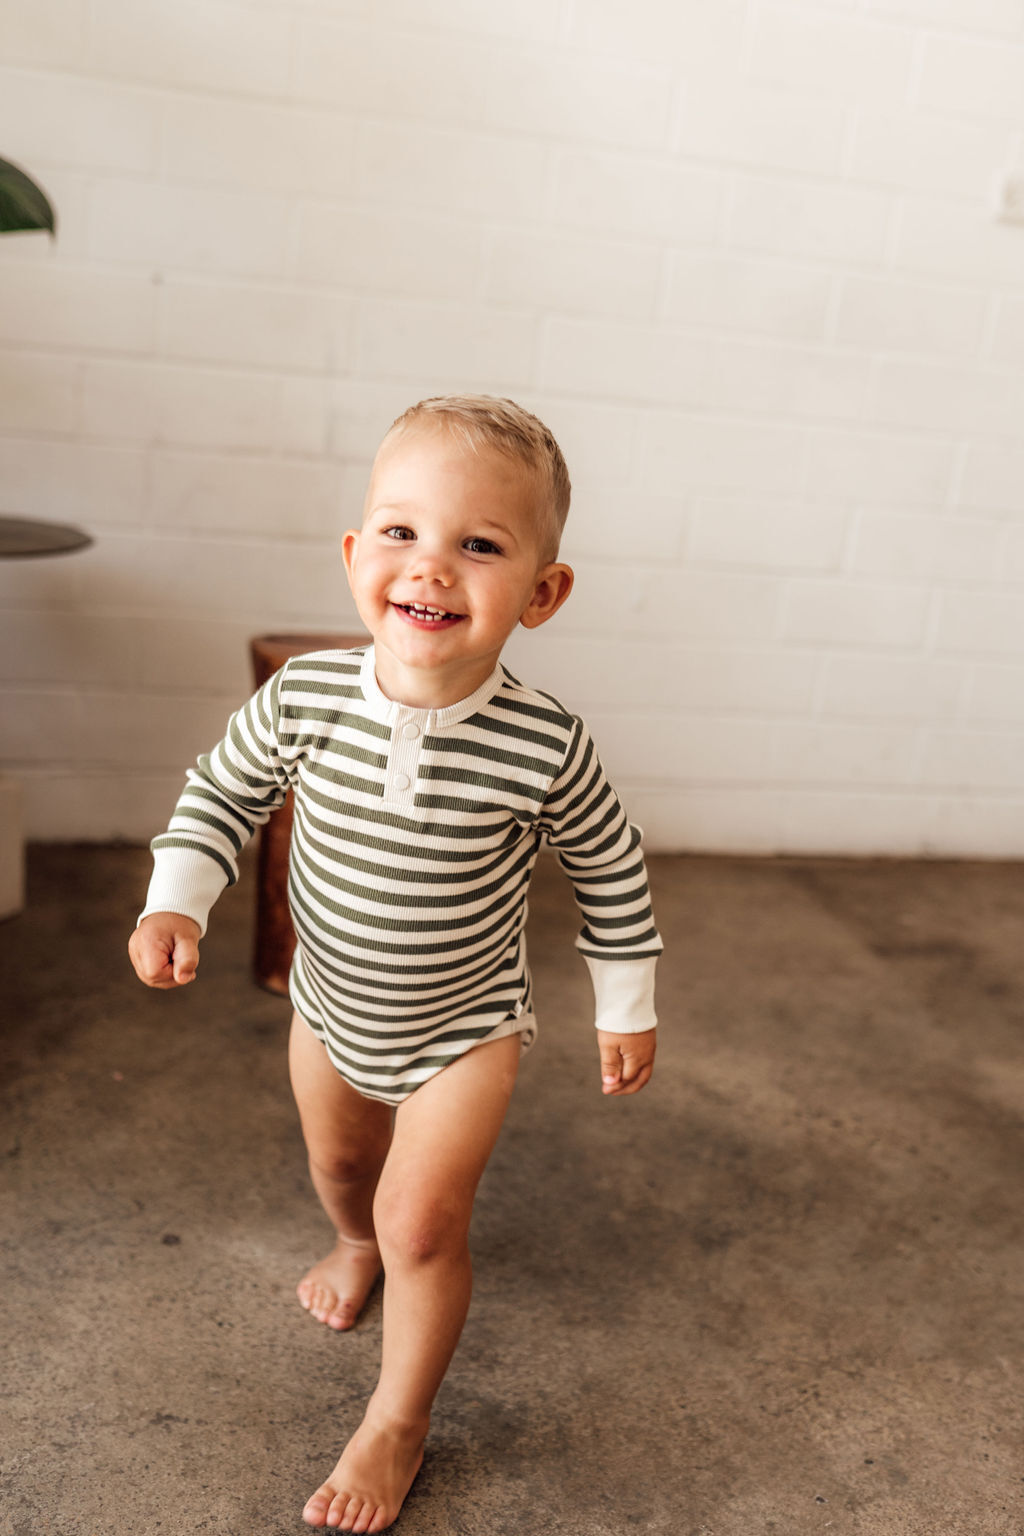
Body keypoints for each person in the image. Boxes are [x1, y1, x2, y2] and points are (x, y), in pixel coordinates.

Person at [128, 394, 662, 1533]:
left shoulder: (545, 742)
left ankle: (397, 1419)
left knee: (426, 1223)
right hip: (326, 1010)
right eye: (401, 533)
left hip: (463, 1030)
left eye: (479, 545)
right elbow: (220, 795)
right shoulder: (306, 698)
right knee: (342, 1173)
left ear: (542, 592)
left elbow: (612, 869)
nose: (430, 567)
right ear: (355, 553)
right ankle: (351, 1240)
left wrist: (625, 1004)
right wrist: (180, 900)